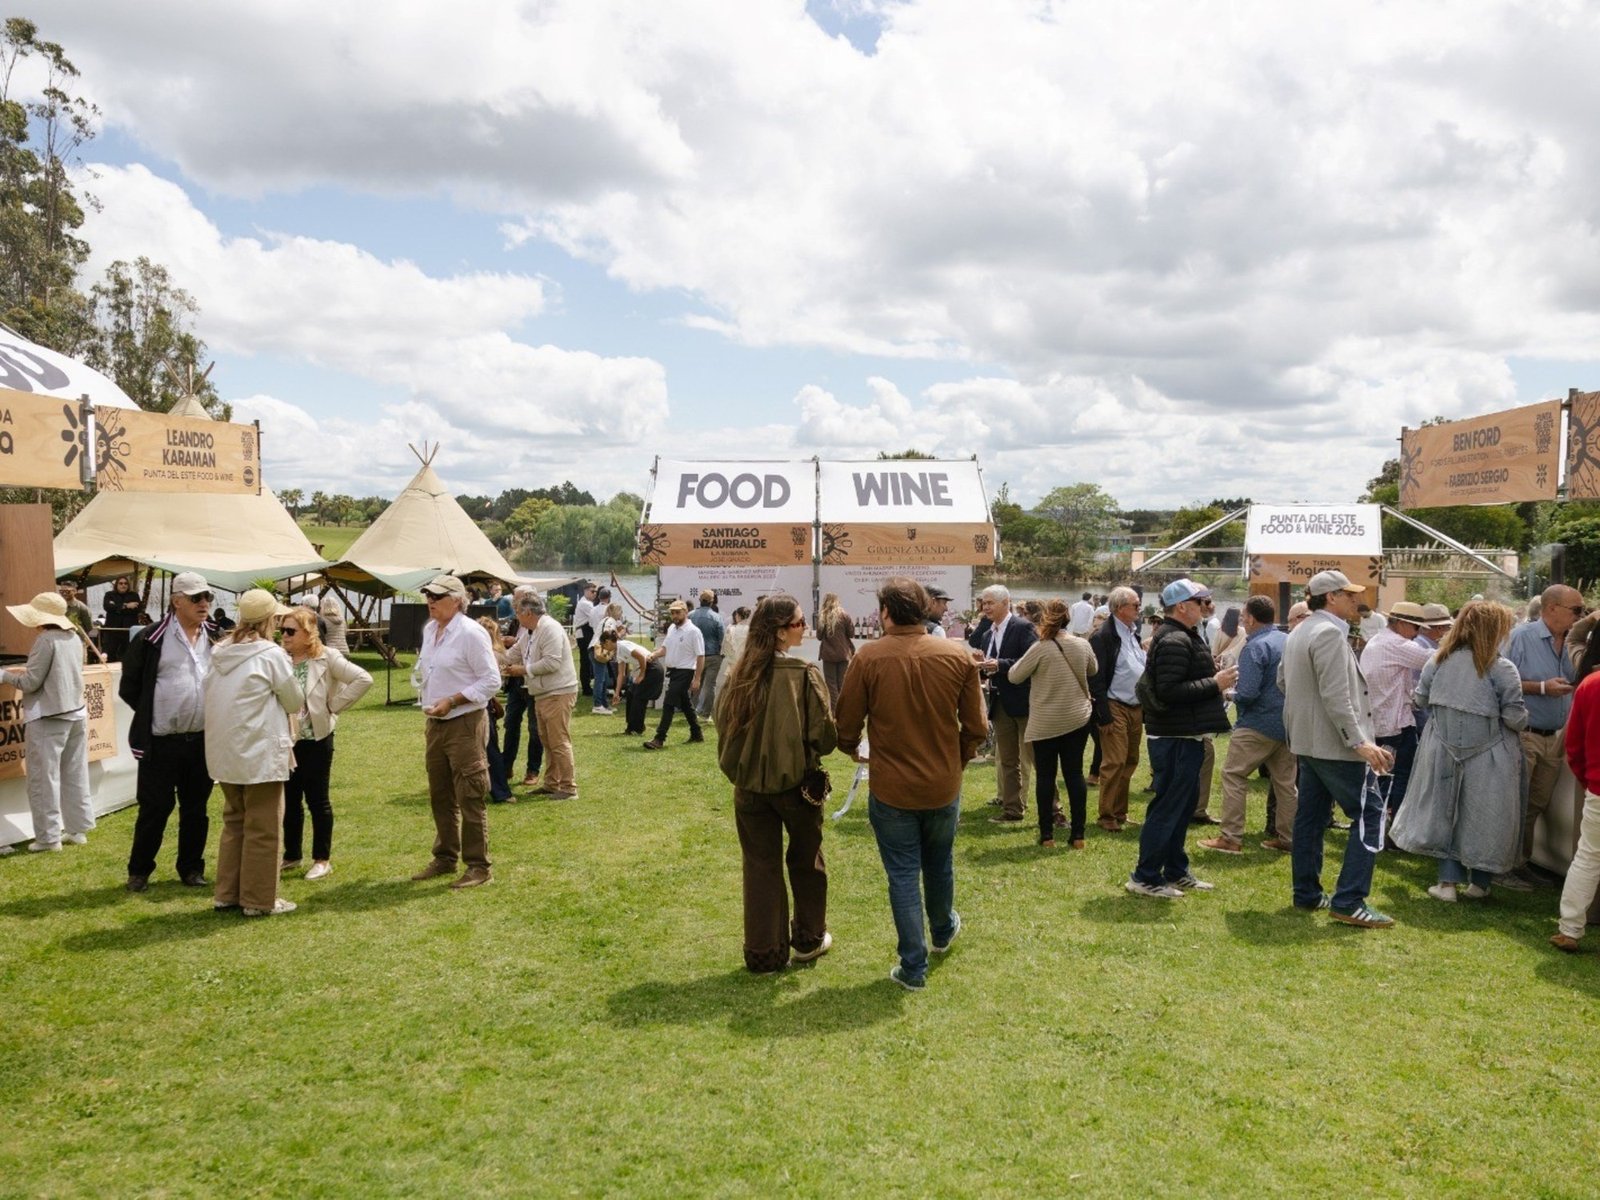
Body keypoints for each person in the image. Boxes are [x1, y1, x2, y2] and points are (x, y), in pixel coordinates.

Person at [836, 577, 987, 992]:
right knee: (939, 862)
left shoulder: (869, 657)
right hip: (941, 783)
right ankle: (941, 930)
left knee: (903, 873)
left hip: (893, 786)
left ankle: (914, 963)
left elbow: (846, 722)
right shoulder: (955, 655)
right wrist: (958, 758)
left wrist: (851, 748)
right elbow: (977, 726)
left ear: (885, 612)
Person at [715, 595, 838, 972]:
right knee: (806, 861)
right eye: (800, 622)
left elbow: (722, 725)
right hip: (796, 787)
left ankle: (764, 952)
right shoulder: (802, 674)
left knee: (760, 867)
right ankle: (808, 939)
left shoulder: (739, 674)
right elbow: (825, 738)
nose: (805, 627)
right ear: (781, 631)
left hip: (749, 789)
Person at [1279, 570, 1396, 928]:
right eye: (1349, 594)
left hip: (1309, 742)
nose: (1356, 600)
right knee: (1371, 815)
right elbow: (1335, 695)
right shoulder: (1328, 633)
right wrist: (1359, 741)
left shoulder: (1301, 630)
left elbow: (1284, 682)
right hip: (1333, 745)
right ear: (1330, 597)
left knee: (1310, 818)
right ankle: (1349, 901)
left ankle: (1307, 893)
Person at [1392, 601, 1527, 902]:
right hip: (1491, 753)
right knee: (1487, 816)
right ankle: (1480, 883)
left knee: (1445, 811)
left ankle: (1447, 883)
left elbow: (1420, 699)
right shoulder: (1502, 668)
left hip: (1442, 747)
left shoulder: (1438, 660)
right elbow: (1515, 718)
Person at [1125, 579, 1234, 899]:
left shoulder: (1181, 635)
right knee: (1169, 807)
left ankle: (1174, 869)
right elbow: (1169, 691)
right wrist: (1214, 683)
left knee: (1182, 807)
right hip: (1175, 736)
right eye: (1202, 601)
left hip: (1184, 733)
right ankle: (1145, 876)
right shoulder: (1174, 639)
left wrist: (1210, 678)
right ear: (1182, 606)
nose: (1207, 606)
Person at [120, 571, 222, 892]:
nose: (204, 603)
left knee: (196, 809)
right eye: (196, 598)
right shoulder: (151, 638)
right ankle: (139, 871)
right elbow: (129, 687)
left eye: (207, 597)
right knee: (155, 808)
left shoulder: (217, 636)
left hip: (201, 740)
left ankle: (191, 869)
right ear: (177, 601)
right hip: (161, 741)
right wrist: (155, 711)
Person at [205, 589, 304, 917]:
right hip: (259, 749)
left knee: (235, 822)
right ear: (271, 619)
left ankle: (227, 893)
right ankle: (259, 900)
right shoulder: (271, 654)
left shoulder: (220, 651)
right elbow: (294, 700)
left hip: (225, 750)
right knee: (264, 826)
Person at [410, 574, 502, 889]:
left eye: (437, 596)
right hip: (436, 723)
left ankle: (479, 866)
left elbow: (492, 681)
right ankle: (445, 857)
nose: (430, 601)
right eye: (428, 596)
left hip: (465, 721)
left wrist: (453, 700)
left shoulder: (471, 633)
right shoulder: (430, 629)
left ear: (458, 601)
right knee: (440, 793)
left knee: (470, 794)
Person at [1498, 584, 1583, 890]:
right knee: (1515, 803)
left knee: (1535, 803)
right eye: (1576, 610)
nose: (1579, 616)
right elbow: (1500, 681)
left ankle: (1519, 862)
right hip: (1525, 733)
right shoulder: (1522, 637)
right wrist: (1543, 688)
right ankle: (1499, 867)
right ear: (1551, 608)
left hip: (1554, 736)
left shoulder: (1572, 641)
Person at [278, 605, 372, 878]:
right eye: (282, 630)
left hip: (317, 740)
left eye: (290, 631)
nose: (284, 636)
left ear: (308, 632)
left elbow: (363, 678)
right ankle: (292, 855)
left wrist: (334, 705)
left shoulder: (327, 657)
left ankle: (322, 859)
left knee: (317, 800)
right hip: (286, 740)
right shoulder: (278, 658)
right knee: (289, 801)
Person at [1201, 595, 1298, 855]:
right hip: (1287, 723)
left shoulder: (1255, 646)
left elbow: (1248, 693)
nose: (1242, 621)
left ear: (1252, 619)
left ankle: (1231, 838)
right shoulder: (1287, 640)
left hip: (1257, 724)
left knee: (1233, 775)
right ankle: (1289, 838)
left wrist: (1226, 692)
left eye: (1244, 616)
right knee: (1286, 784)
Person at [1, 592, 93, 852]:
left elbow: (31, 682)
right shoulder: (73, 637)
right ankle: (77, 829)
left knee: (43, 779)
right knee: (75, 774)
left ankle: (48, 837)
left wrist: (4, 675)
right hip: (75, 712)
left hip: (49, 716)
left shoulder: (45, 640)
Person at [1006, 598, 1094, 849]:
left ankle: (1047, 836)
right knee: (1074, 774)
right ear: (1069, 619)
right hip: (1077, 717)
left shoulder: (1040, 648)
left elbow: (1014, 676)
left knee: (1045, 777)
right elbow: (1094, 670)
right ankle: (1078, 835)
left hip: (1046, 720)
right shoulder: (1082, 644)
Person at [1357, 600, 1434, 820]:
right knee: (1400, 777)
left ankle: (1374, 822)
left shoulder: (1377, 640)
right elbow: (1432, 659)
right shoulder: (1396, 643)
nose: (1417, 633)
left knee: (1380, 777)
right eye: (1416, 627)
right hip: (1395, 723)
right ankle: (1393, 824)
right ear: (1402, 624)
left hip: (1377, 720)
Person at [1553, 633, 1600, 952]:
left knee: (1588, 857)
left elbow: (1574, 745)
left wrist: (1589, 781)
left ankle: (1570, 928)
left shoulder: (1590, 685)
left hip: (1597, 786)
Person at [976, 584, 1037, 825]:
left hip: (1024, 702)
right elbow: (990, 668)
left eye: (990, 602)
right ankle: (1012, 809)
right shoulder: (987, 634)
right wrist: (981, 666)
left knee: (1037, 758)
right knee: (1008, 761)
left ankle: (1055, 811)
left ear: (1005, 603)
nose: (986, 607)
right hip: (1000, 703)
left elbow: (1032, 660)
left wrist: (1000, 664)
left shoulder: (1022, 627)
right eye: (984, 603)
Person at [508, 594, 579, 799]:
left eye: (517, 612)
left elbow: (552, 663)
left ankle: (568, 788)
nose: (516, 617)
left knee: (559, 741)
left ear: (528, 612)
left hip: (558, 692)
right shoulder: (530, 632)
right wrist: (490, 656)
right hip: (542, 694)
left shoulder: (550, 628)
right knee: (548, 741)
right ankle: (551, 784)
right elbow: (512, 654)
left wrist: (523, 670)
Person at [1089, 586, 1146, 832]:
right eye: (1135, 605)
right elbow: (1096, 678)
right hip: (1114, 705)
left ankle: (1120, 812)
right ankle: (1107, 815)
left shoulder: (1133, 633)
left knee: (1130, 760)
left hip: (1135, 706)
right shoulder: (1103, 636)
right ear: (1120, 608)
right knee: (1114, 761)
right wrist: (1103, 714)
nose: (1139, 609)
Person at [643, 600, 704, 750]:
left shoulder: (694, 631)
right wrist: (654, 655)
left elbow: (701, 656)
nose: (674, 615)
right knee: (686, 704)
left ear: (685, 612)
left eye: (678, 612)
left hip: (686, 671)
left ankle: (659, 738)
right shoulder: (672, 628)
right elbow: (665, 649)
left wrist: (697, 679)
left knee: (669, 703)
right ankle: (696, 733)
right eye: (672, 613)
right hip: (673, 671)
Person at [500, 584, 544, 788]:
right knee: (510, 723)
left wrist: (514, 641)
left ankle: (532, 770)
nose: (513, 604)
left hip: (533, 680)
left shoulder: (541, 623)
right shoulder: (515, 620)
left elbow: (542, 653)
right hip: (516, 681)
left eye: (516, 599)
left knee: (535, 727)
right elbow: (516, 650)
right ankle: (506, 766)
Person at [475, 615, 516, 803]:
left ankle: (498, 790)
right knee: (489, 748)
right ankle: (499, 791)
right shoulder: (497, 653)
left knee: (487, 748)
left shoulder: (489, 653)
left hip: (481, 703)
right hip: (482, 703)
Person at [607, 629, 663, 735]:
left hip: (652, 668)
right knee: (630, 694)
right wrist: (617, 693)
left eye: (603, 644)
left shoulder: (623, 646)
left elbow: (641, 657)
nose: (603, 647)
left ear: (608, 641)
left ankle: (637, 728)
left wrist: (641, 675)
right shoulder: (618, 652)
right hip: (645, 668)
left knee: (639, 697)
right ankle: (631, 727)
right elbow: (621, 674)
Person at [815, 593, 854, 712]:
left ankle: (835, 713)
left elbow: (819, 637)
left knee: (831, 686)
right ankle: (843, 713)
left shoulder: (823, 617)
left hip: (828, 656)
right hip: (843, 654)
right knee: (842, 685)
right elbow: (851, 634)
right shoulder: (844, 616)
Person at [691, 590, 726, 721]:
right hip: (713, 654)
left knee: (696, 682)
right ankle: (706, 714)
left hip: (695, 655)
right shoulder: (717, 617)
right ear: (712, 602)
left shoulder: (690, 616)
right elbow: (722, 638)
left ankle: (693, 711)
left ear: (699, 600)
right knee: (710, 685)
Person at [100, 575, 143, 662]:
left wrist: (117, 608)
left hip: (128, 631)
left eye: (125, 583)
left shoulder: (134, 595)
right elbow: (107, 607)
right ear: (116, 585)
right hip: (112, 630)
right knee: (110, 655)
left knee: (128, 656)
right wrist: (126, 606)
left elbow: (138, 609)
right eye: (121, 583)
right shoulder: (109, 595)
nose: (123, 585)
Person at [573, 583, 598, 697]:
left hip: (586, 631)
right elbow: (595, 616)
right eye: (592, 591)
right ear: (586, 591)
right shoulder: (585, 603)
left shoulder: (587, 603)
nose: (594, 594)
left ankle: (587, 685)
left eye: (595, 592)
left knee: (587, 660)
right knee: (585, 660)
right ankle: (586, 688)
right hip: (584, 632)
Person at [723, 606, 752, 672]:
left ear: (738, 615)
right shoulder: (751, 630)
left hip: (733, 662)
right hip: (746, 661)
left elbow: (726, 647)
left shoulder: (731, 629)